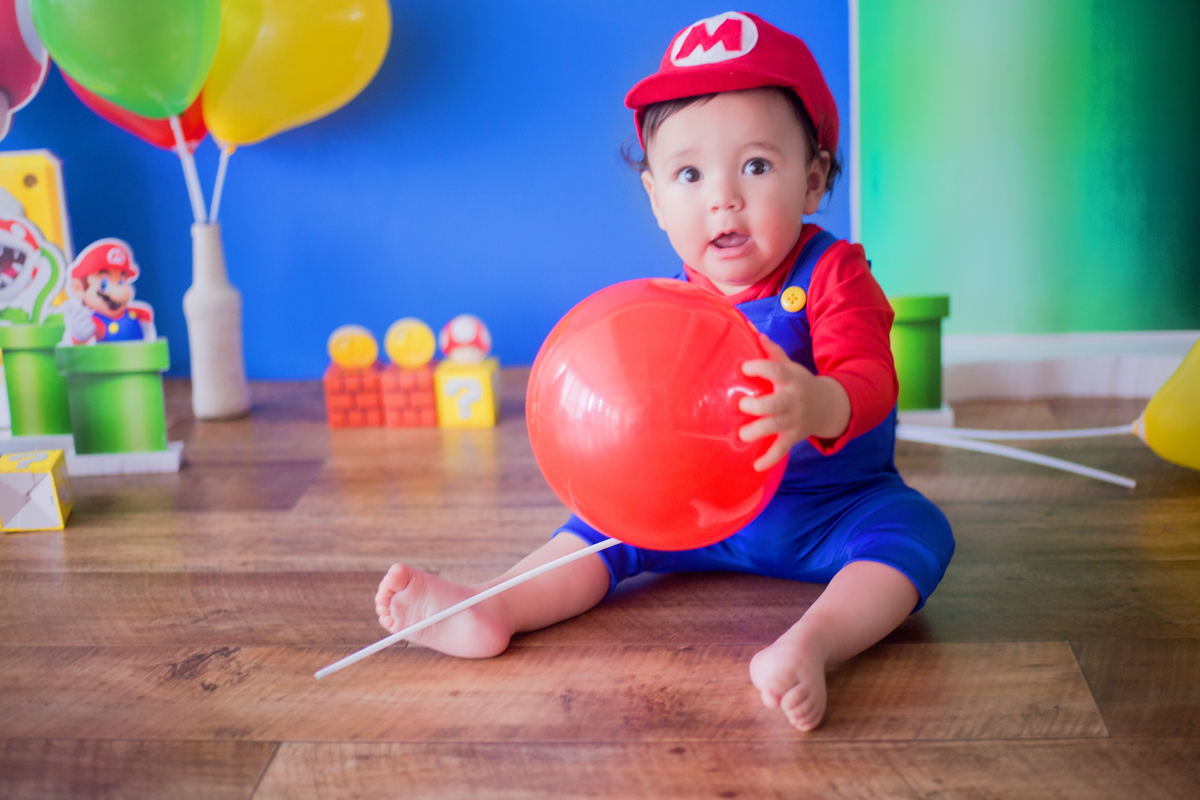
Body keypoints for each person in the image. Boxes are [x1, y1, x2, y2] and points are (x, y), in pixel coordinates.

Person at [375, 11, 954, 732]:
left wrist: (818, 402)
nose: (723, 196)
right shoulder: (670, 303)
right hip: (701, 515)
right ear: (654, 198)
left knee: (917, 532)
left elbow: (873, 381)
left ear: (813, 182)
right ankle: (492, 606)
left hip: (828, 511)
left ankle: (813, 644)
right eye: (689, 172)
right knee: (595, 531)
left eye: (756, 165)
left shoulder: (833, 273)